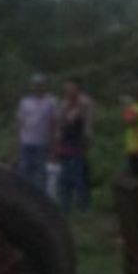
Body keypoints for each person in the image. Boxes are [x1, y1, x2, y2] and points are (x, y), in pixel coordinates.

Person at [55, 80, 93, 213]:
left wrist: (86, 141)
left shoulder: (84, 103)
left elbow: (87, 123)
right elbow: (59, 125)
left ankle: (83, 206)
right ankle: (65, 206)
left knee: (79, 176)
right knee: (64, 177)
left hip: (78, 144)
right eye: (66, 90)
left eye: (71, 89)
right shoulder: (63, 104)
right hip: (65, 144)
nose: (69, 92)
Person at [16, 73, 56, 192]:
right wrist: (17, 143)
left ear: (44, 86)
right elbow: (20, 124)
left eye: (40, 85)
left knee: (41, 172)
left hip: (42, 142)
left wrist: (53, 143)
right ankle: (24, 195)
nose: (38, 87)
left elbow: (54, 123)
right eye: (35, 85)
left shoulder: (51, 101)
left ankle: (39, 198)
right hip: (26, 141)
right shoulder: (25, 102)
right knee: (24, 170)